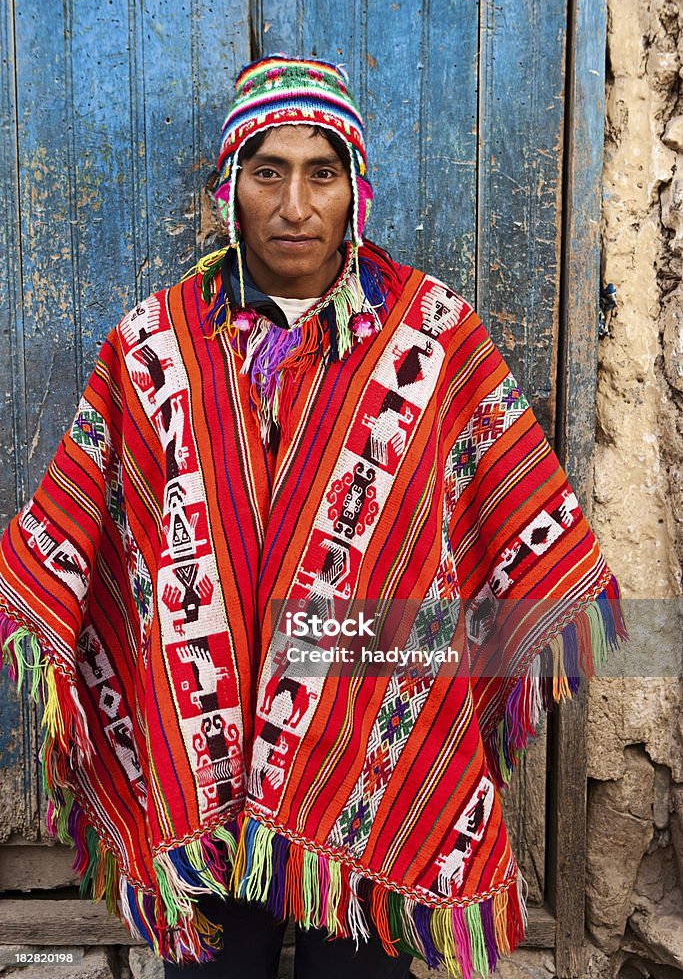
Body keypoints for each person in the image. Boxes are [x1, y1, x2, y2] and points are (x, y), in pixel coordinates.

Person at [0, 55, 627, 979]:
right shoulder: (152, 346)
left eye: (321, 173)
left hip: (374, 752)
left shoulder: (434, 335)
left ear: (354, 193)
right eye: (267, 172)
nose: (295, 205)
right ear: (229, 192)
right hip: (201, 753)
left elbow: (513, 517)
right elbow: (85, 531)